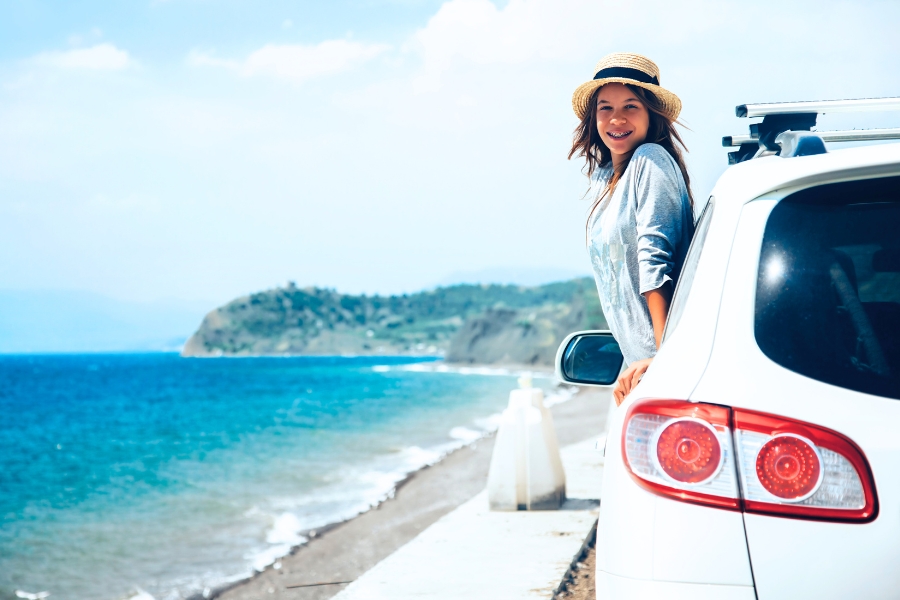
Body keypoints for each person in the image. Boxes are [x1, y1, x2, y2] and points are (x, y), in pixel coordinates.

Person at [568, 53, 694, 406]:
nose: (616, 118)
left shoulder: (650, 161)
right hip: (638, 369)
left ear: (652, 114)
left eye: (631, 106)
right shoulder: (603, 178)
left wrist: (665, 360)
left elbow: (655, 263)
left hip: (664, 368)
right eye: (605, 108)